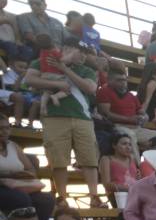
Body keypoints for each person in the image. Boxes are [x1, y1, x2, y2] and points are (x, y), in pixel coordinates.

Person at [22, 35, 101, 207]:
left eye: (84, 53)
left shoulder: (86, 70)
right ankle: (62, 197)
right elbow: (28, 80)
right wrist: (58, 84)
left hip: (83, 118)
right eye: (80, 52)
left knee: (89, 159)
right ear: (67, 49)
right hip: (54, 116)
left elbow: (90, 88)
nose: (83, 56)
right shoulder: (43, 61)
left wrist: (64, 69)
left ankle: (94, 196)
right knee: (58, 159)